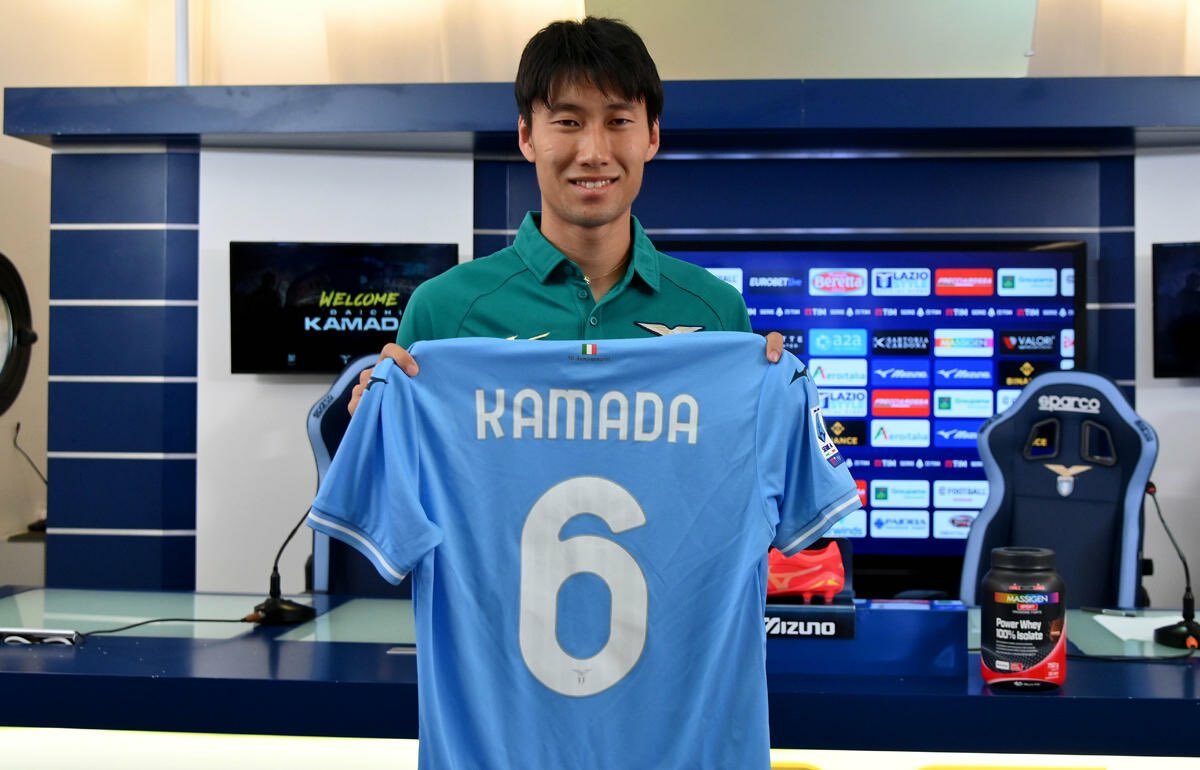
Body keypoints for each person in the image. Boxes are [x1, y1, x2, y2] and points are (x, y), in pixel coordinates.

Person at [347, 15, 781, 415]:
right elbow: (404, 465)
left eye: (618, 121)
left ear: (651, 136)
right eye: (569, 122)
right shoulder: (443, 309)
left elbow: (741, 460)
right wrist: (374, 420)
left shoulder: (717, 311)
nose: (594, 153)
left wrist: (779, 394)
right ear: (527, 137)